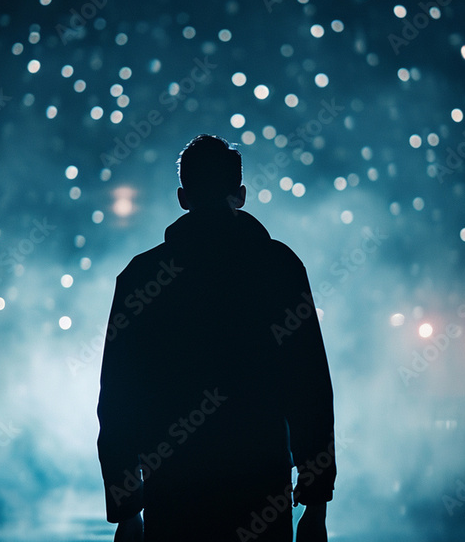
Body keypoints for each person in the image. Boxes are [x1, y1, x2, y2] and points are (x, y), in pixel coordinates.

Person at [97, 134, 336, 542]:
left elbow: (119, 398)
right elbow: (309, 385)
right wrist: (315, 502)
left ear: (182, 197)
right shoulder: (280, 268)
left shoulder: (142, 276)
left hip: (175, 488)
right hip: (259, 486)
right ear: (240, 194)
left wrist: (127, 508)